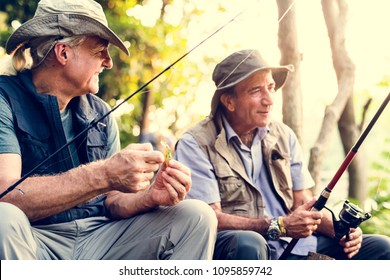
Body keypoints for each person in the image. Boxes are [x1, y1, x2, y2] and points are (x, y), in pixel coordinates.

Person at [0, 0, 217, 260]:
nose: (109, 62)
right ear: (63, 52)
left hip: (100, 239)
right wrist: (103, 174)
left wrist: (149, 196)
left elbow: (113, 202)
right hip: (34, 240)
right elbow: (6, 195)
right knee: (3, 217)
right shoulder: (5, 98)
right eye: (100, 51)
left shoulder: (100, 113)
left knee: (196, 216)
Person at [174, 49, 390, 260]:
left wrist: (340, 230)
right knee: (250, 243)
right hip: (243, 250)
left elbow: (303, 202)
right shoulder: (195, 144)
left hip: (297, 246)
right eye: (256, 91)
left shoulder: (284, 135)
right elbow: (210, 219)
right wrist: (279, 226)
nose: (269, 99)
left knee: (381, 247)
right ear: (229, 101)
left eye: (271, 87)